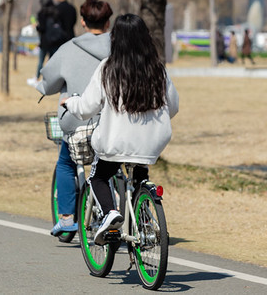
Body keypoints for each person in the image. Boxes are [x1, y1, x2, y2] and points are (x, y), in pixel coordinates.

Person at [62, 14, 179, 245]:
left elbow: (86, 108)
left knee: (98, 176)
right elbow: (173, 107)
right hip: (152, 143)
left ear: (115, 39)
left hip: (115, 142)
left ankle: (110, 213)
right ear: (146, 38)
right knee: (139, 171)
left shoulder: (108, 68)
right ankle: (144, 219)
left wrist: (68, 103)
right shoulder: (157, 69)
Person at [35, 0, 113, 236]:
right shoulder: (121, 46)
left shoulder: (69, 48)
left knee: (66, 162)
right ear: (108, 23)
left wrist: (43, 87)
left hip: (78, 121)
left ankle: (67, 217)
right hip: (112, 121)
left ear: (82, 21)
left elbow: (48, 83)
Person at [27, 0, 62, 87]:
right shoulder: (56, 12)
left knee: (41, 61)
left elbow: (41, 28)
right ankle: (48, 79)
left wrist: (36, 26)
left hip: (44, 42)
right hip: (55, 41)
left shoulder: (41, 13)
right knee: (51, 62)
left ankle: (37, 78)